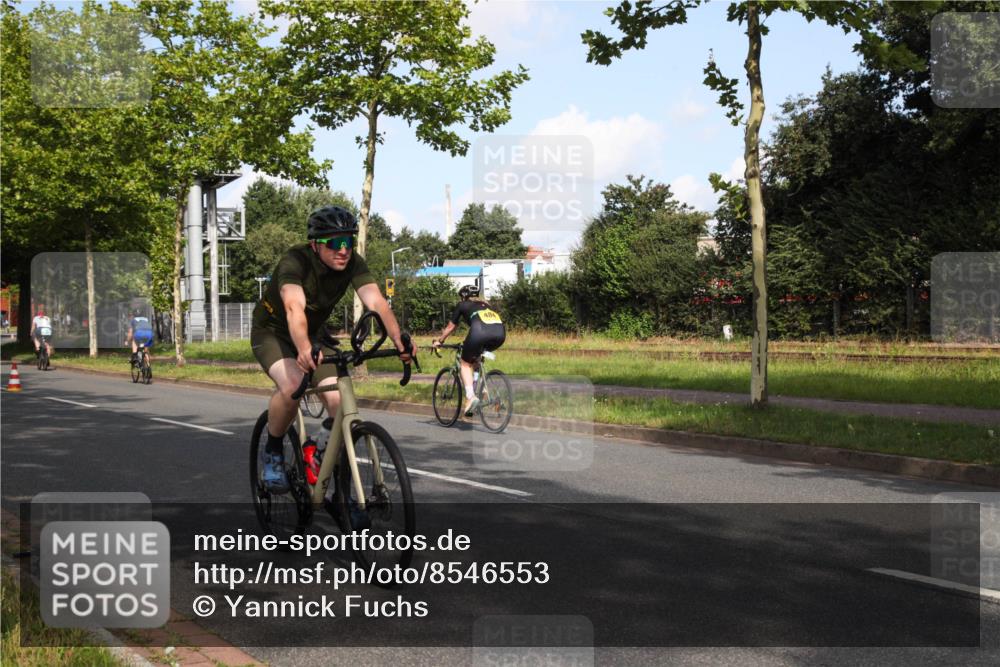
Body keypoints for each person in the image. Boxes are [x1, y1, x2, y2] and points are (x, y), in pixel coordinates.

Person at [251, 205, 415, 492]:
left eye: (349, 242)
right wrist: (302, 347)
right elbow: (293, 305)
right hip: (273, 332)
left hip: (313, 335)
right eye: (335, 243)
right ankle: (273, 451)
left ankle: (330, 471)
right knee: (292, 386)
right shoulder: (295, 260)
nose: (344, 250)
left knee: (340, 401)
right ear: (315, 245)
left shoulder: (353, 263)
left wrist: (399, 339)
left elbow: (376, 302)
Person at [431, 284, 506, 417]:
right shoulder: (487, 305)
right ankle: (484, 393)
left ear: (464, 296)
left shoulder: (463, 305)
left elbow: (450, 327)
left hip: (480, 333)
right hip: (500, 334)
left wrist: (440, 341)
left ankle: (471, 397)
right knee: (476, 357)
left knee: (465, 363)